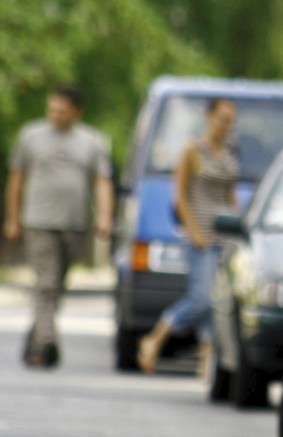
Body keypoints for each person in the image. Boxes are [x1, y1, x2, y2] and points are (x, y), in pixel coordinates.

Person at [4, 85, 114, 368]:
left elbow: (101, 182)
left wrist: (104, 216)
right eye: (51, 109)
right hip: (38, 221)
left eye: (62, 110)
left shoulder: (92, 141)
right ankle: (47, 342)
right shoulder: (31, 136)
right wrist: (12, 218)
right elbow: (17, 180)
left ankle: (35, 341)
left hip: (73, 225)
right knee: (46, 284)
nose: (55, 115)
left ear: (77, 112)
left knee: (55, 287)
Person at [136, 98, 239, 377]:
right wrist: (193, 231)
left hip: (223, 236)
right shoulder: (193, 150)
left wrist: (239, 226)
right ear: (209, 117)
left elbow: (230, 194)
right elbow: (179, 195)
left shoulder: (230, 151)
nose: (225, 125)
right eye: (221, 118)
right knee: (201, 297)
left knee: (216, 300)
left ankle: (207, 359)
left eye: (230, 120)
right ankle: (155, 338)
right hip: (199, 235)